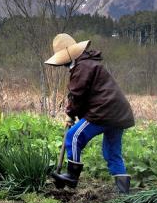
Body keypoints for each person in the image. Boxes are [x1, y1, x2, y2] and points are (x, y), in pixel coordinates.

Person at [45, 33, 135, 194]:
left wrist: (70, 114)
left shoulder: (82, 67)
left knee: (73, 136)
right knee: (112, 153)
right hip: (118, 113)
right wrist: (74, 113)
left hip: (103, 112)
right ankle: (124, 194)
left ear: (67, 57)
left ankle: (72, 176)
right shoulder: (89, 64)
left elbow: (77, 94)